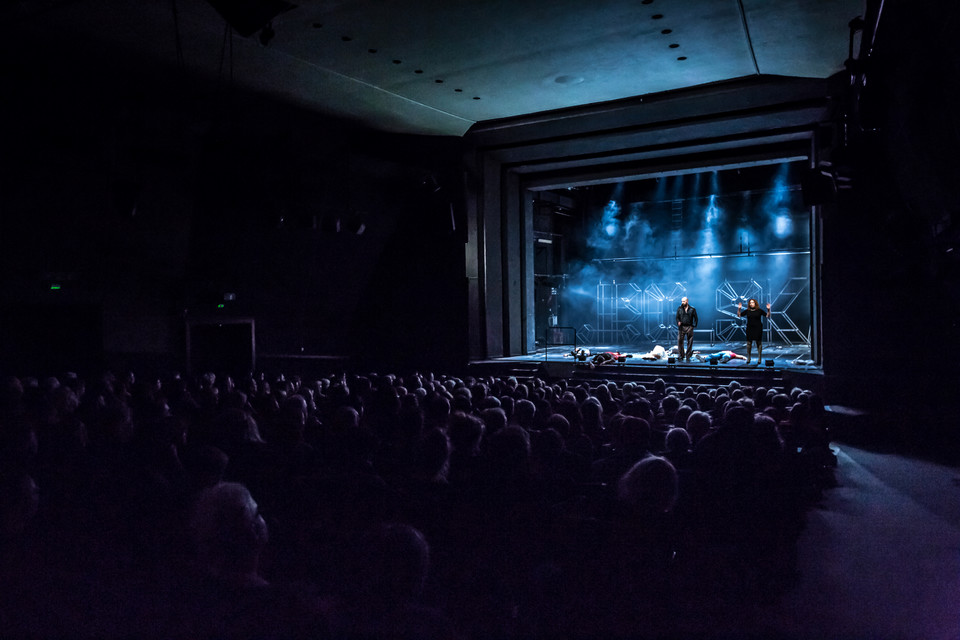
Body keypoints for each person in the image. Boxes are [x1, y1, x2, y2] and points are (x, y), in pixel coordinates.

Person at [737, 298, 771, 366]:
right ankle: (749, 358)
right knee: (749, 343)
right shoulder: (747, 311)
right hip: (750, 328)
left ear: (755, 303)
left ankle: (759, 358)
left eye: (752, 302)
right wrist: (739, 309)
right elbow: (739, 315)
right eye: (750, 303)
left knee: (759, 343)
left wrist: (768, 309)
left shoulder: (759, 310)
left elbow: (767, 316)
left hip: (758, 328)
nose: (751, 304)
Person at [675, 297, 698, 361]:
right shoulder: (679, 308)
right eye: (682, 301)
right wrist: (678, 321)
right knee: (680, 341)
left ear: (687, 301)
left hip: (689, 327)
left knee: (690, 342)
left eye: (684, 301)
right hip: (681, 327)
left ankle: (688, 356)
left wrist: (693, 325)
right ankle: (681, 355)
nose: (682, 302)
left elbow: (696, 318)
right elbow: (677, 317)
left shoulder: (692, 309)